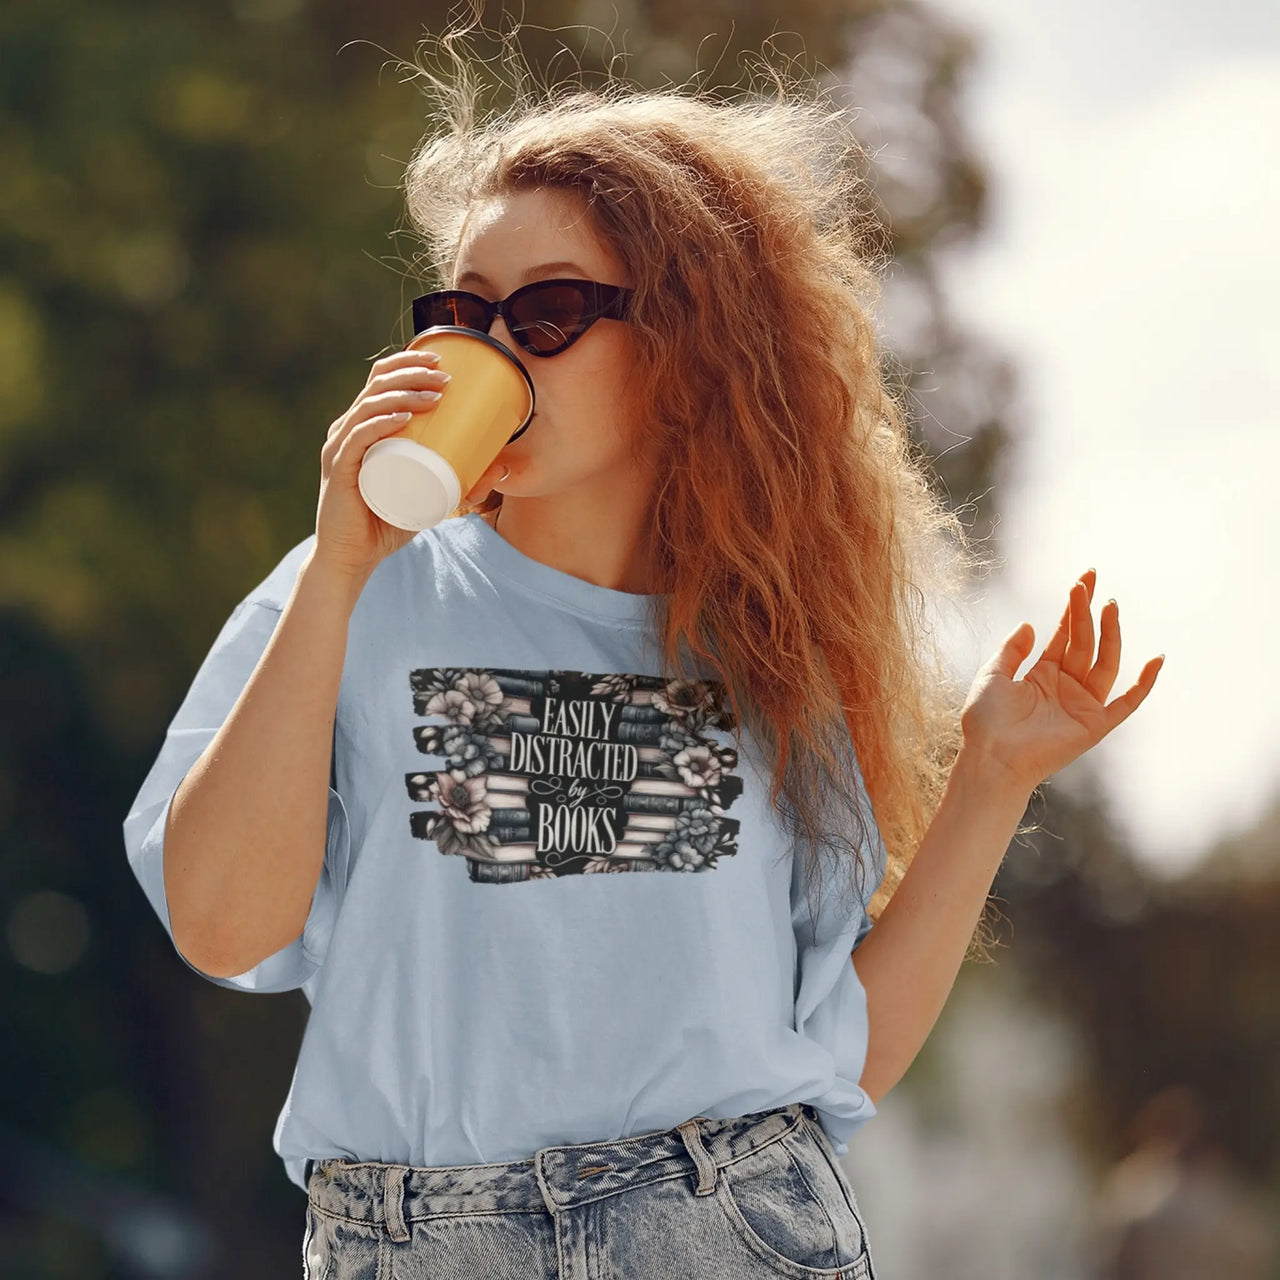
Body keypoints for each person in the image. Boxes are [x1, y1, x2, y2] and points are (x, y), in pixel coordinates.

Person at [122, 20, 1163, 1280]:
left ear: (686, 351)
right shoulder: (345, 593)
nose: (487, 350)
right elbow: (224, 928)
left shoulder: (771, 659)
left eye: (546, 313)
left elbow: (834, 1056)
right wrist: (340, 564)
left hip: (727, 1227)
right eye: (462, 312)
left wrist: (992, 774)